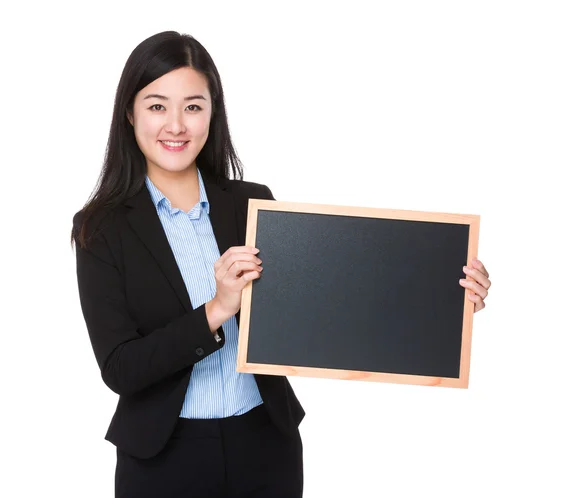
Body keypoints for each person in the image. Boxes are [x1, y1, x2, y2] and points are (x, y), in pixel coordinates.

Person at [71, 31, 491, 498]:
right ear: (129, 113)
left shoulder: (254, 206)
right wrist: (216, 310)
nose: (176, 125)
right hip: (163, 458)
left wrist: (443, 305)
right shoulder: (101, 229)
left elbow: (328, 305)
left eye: (193, 105)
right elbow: (120, 368)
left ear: (213, 112)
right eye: (156, 106)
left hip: (265, 445)